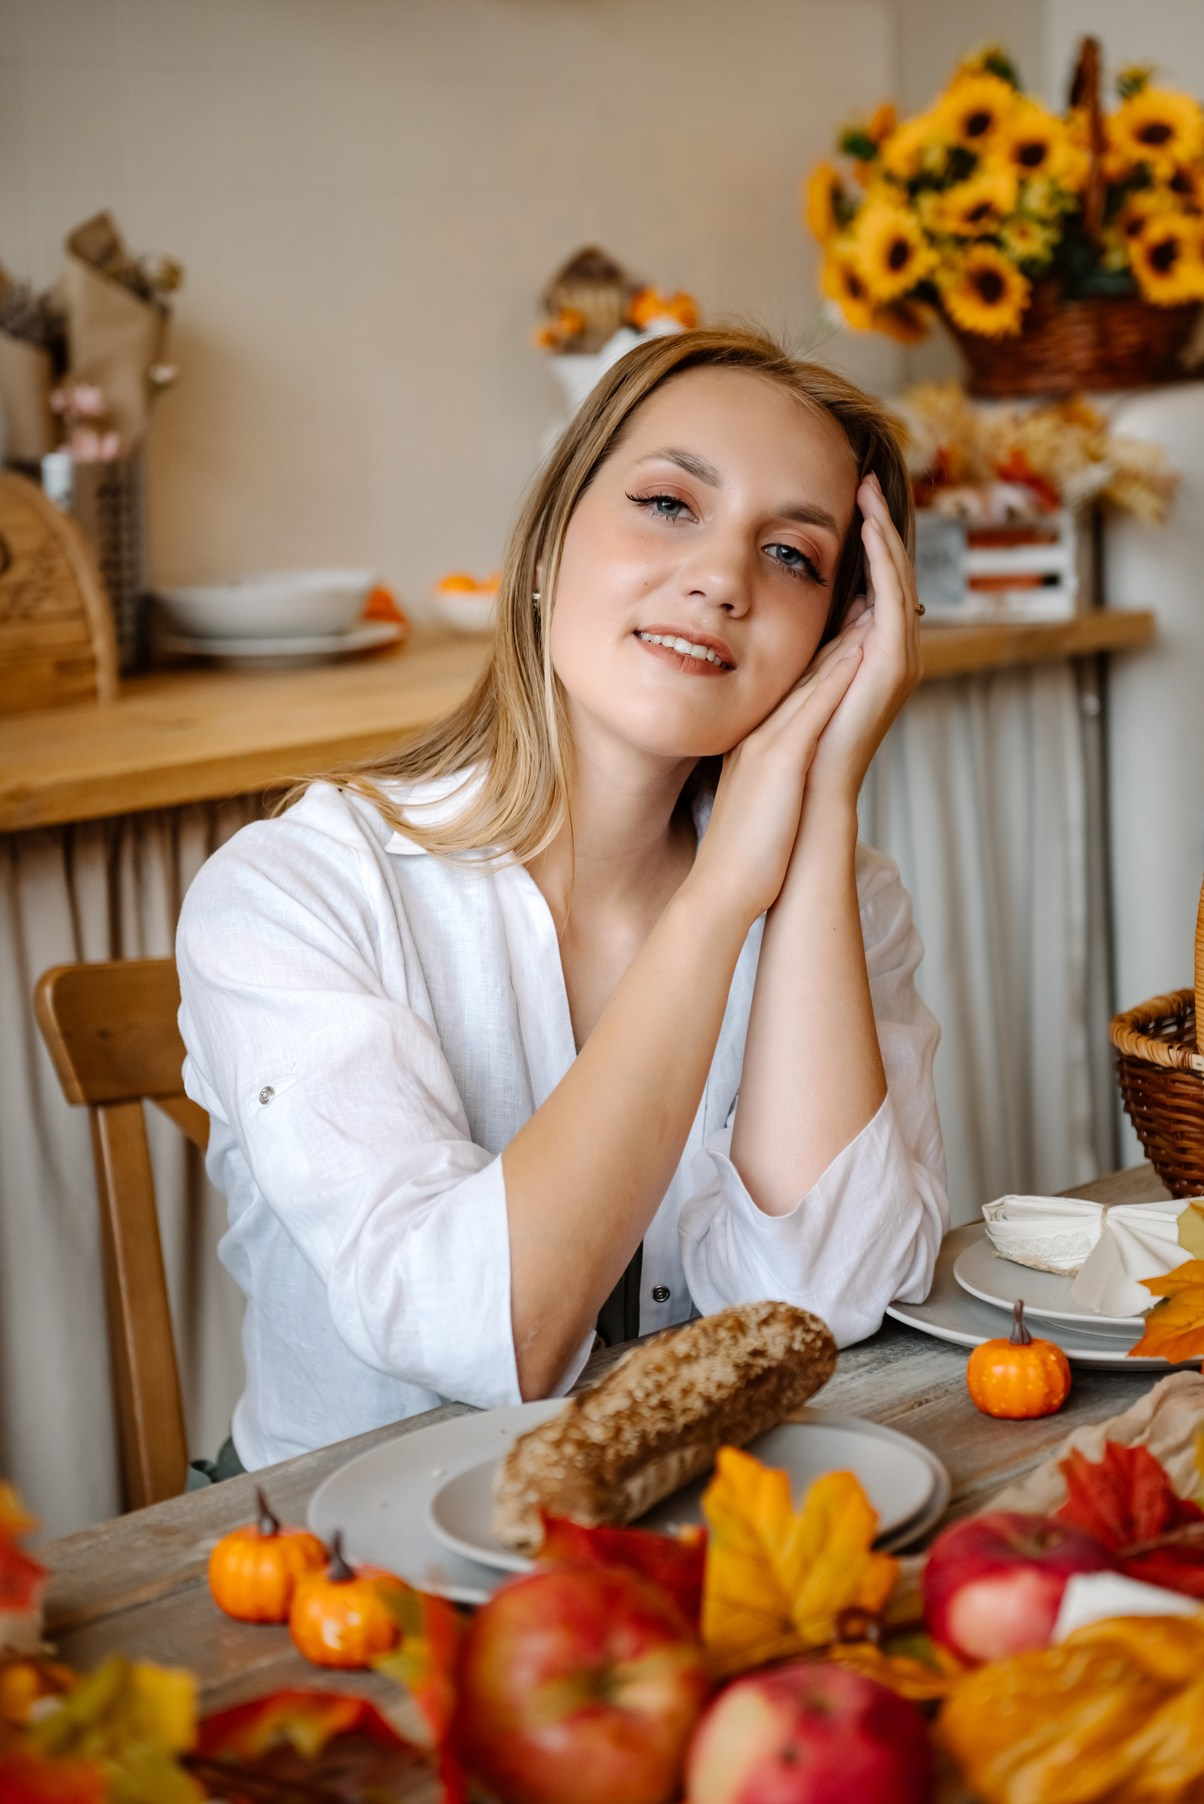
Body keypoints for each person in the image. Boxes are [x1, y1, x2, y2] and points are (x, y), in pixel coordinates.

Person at [177, 326, 948, 1473]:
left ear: (837, 641)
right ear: (545, 548)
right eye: (668, 504)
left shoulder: (842, 897)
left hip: (690, 1534)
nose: (721, 578)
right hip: (332, 1578)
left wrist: (821, 803)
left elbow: (829, 1300)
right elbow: (490, 1331)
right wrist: (723, 892)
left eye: (792, 556)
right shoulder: (295, 892)